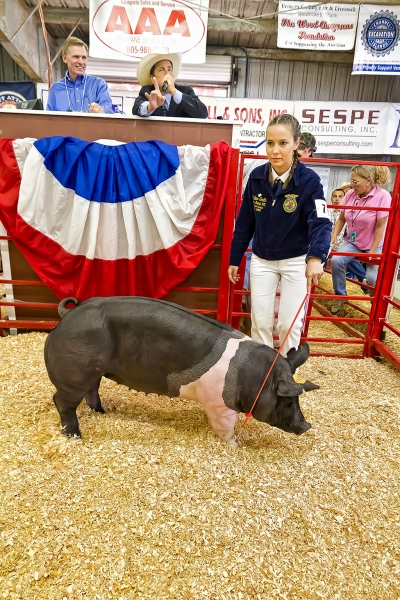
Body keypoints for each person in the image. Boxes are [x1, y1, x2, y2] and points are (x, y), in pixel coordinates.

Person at [228, 114, 332, 357]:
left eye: (283, 143)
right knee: (260, 323)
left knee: (288, 324)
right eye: (270, 143)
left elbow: (321, 222)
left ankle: (286, 375)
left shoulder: (310, 181)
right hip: (262, 260)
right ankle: (262, 377)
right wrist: (235, 258)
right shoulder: (256, 178)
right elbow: (245, 223)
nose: (275, 150)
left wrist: (316, 257)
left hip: (296, 260)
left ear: (296, 144)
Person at [330, 165, 391, 315]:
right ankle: (341, 295)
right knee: (337, 261)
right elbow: (342, 218)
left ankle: (374, 306)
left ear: (368, 181)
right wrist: (333, 236)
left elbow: (380, 227)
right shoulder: (350, 194)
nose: (352, 184)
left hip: (374, 243)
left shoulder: (382, 196)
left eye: (355, 181)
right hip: (353, 241)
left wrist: (371, 252)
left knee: (371, 278)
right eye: (351, 180)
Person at [46, 37, 113, 114]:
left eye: (84, 57)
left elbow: (109, 111)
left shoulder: (99, 84)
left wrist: (101, 111)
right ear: (64, 58)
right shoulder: (55, 89)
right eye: (76, 57)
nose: (81, 62)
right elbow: (49, 120)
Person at [132, 52, 208, 119]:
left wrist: (174, 91)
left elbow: (202, 113)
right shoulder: (147, 91)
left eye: (169, 69)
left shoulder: (185, 91)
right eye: (161, 70)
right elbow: (136, 109)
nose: (167, 73)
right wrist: (150, 107)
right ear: (152, 77)